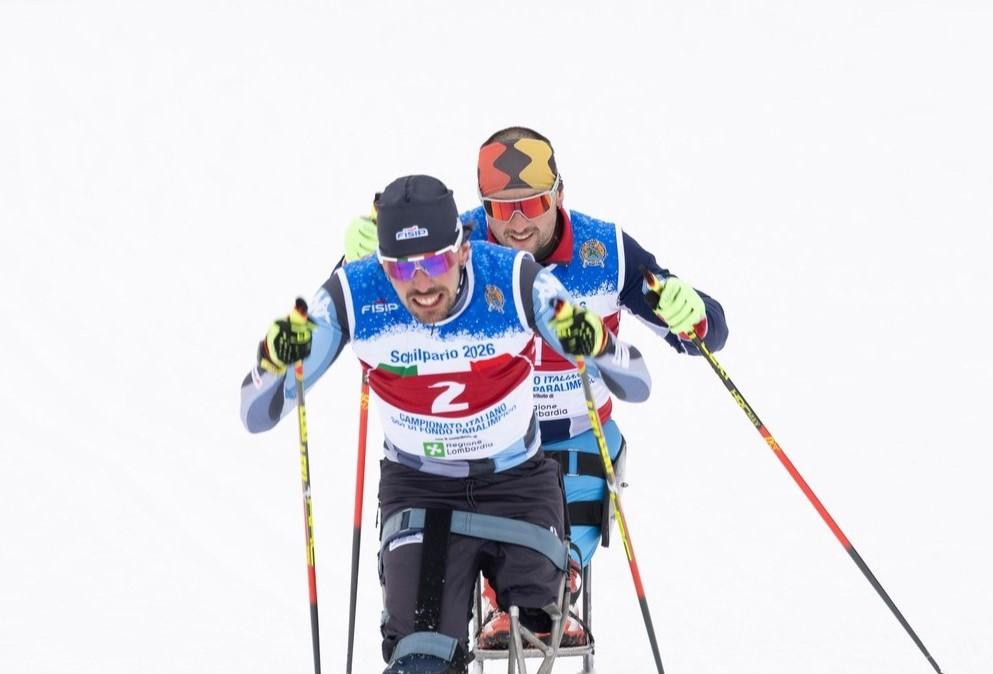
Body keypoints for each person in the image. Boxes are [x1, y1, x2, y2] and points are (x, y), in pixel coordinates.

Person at [241, 175, 652, 674]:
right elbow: (257, 413)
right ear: (382, 266)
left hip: (516, 482)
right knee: (421, 657)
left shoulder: (513, 278)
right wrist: (270, 364)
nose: (421, 285)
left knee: (538, 627)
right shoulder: (355, 293)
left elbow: (636, 382)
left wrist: (598, 345)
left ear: (462, 250)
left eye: (435, 262)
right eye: (401, 269)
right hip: (421, 490)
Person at [343, 128, 729, 649]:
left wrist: (694, 312)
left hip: (572, 432)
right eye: (502, 210)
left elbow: (702, 332)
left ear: (559, 196)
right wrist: (358, 261)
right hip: (476, 439)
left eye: (533, 204)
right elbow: (363, 305)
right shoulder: (455, 246)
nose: (519, 223)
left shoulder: (605, 251)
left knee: (552, 534)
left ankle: (539, 598)